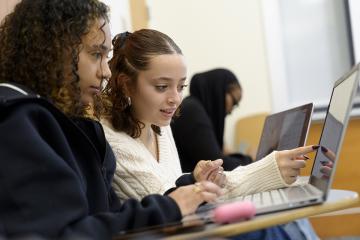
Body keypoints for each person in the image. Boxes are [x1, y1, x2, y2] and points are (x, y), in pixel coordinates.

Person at [0, 1, 223, 239]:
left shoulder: (70, 123)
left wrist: (186, 192)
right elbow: (60, 234)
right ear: (53, 49)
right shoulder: (15, 119)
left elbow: (110, 217)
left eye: (106, 56)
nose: (106, 72)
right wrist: (169, 208)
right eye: (96, 54)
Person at [101, 29, 319, 239]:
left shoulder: (159, 124)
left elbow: (184, 192)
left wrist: (197, 180)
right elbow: (175, 203)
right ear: (126, 84)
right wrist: (270, 167)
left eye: (180, 86)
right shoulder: (114, 141)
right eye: (161, 86)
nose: (175, 98)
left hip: (187, 224)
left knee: (287, 219)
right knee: (272, 229)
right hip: (172, 231)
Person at [171, 68, 253, 172]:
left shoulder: (196, 109)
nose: (231, 110)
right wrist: (251, 159)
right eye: (234, 102)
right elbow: (218, 167)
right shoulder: (192, 111)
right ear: (219, 90)